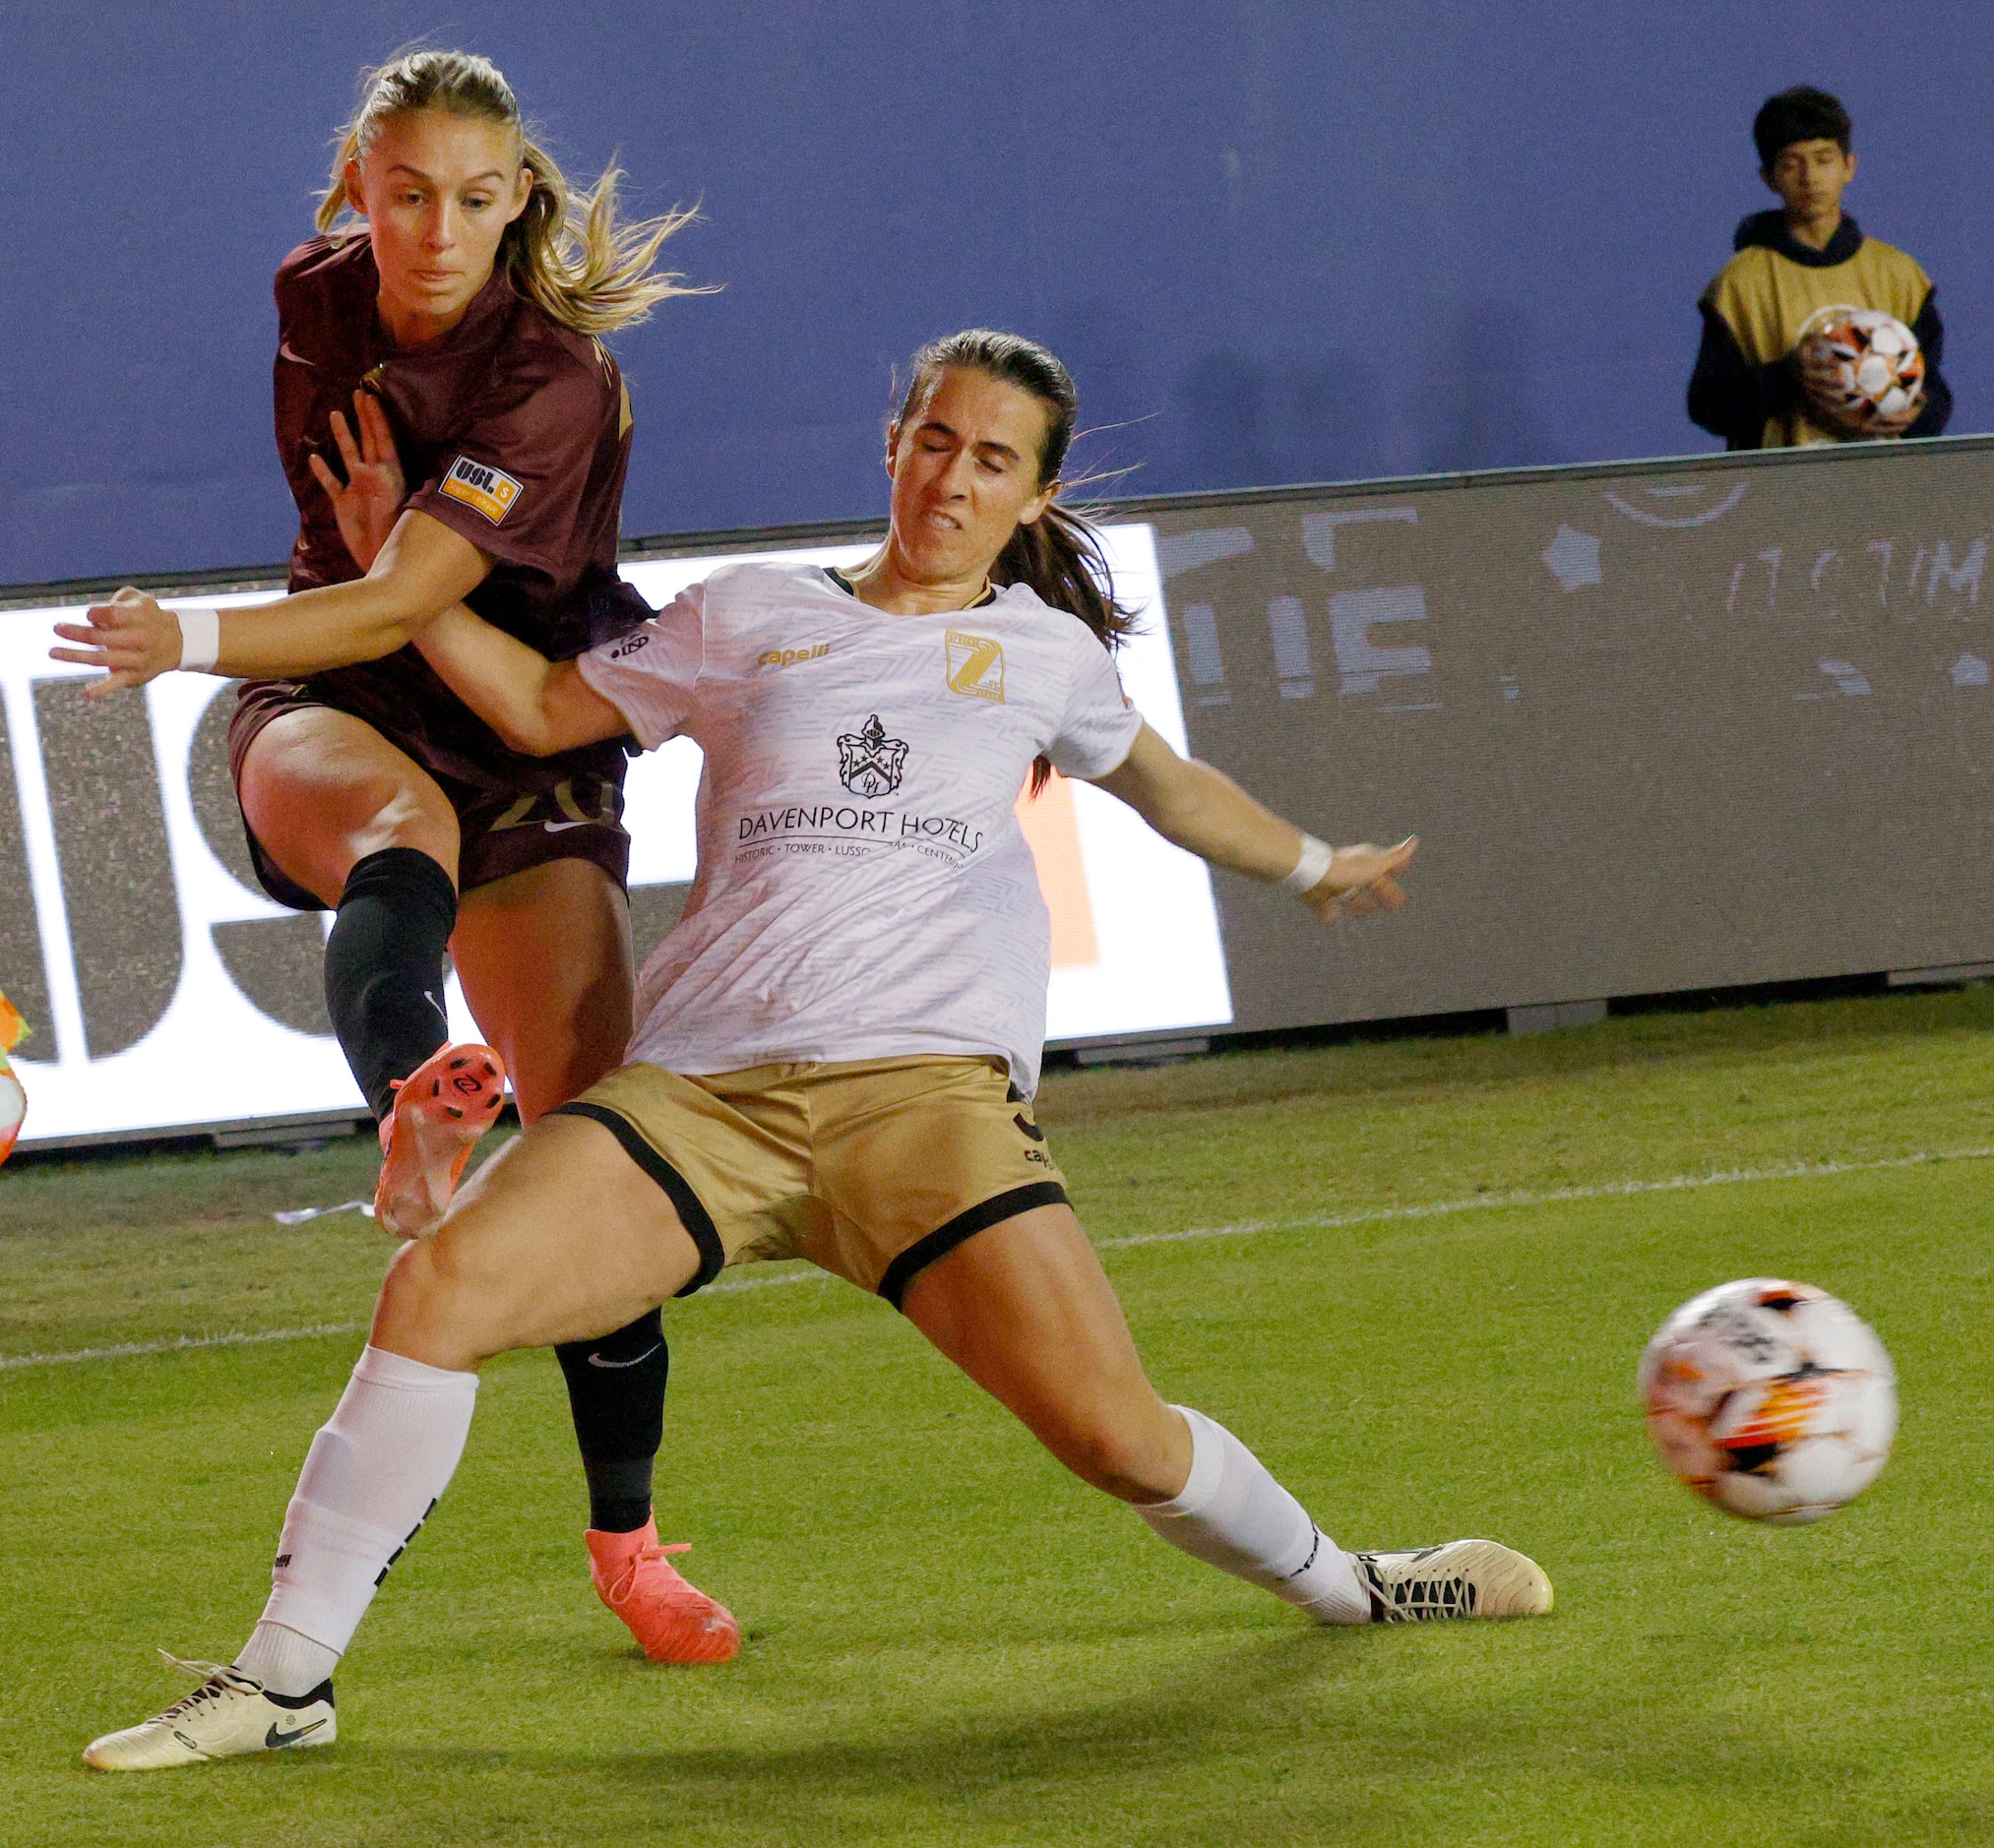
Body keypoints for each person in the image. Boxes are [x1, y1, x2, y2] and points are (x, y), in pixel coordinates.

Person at [69, 330, 1551, 1772]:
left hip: (924, 1103)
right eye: (931, 440)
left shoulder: (1041, 655)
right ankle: (284, 1679)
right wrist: (402, 557)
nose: (949, 478)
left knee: (1117, 1437)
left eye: (990, 459)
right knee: (438, 1285)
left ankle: (1347, 1579)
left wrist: (1310, 865)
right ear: (891, 444)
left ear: (1033, 495)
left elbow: (1169, 791)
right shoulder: (749, 608)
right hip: (696, 1098)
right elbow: (532, 705)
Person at [50, 48, 737, 1668]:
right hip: (342, 699)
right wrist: (304, 619)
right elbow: (358, 621)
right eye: (406, 191)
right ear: (360, 180)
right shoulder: (317, 288)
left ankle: (629, 1541)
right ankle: (413, 1117)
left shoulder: (546, 380)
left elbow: (393, 590)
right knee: (389, 825)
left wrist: (188, 631)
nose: (435, 230)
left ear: (519, 203)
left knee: (593, 1162)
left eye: (475, 199)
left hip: (521, 734)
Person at [1688, 85, 1952, 450]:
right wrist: (1790, 376)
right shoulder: (1739, 285)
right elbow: (1709, 407)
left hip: (1883, 487)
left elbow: (1933, 391)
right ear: (1768, 178)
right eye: (1792, 164)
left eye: (1824, 159)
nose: (1810, 177)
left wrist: (1919, 415)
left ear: (1849, 167)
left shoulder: (1900, 276)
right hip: (1783, 491)